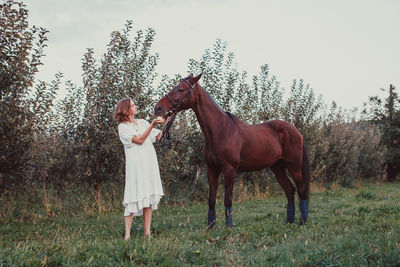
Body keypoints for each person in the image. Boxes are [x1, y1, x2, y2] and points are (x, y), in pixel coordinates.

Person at [114, 97, 165, 239]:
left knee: (148, 197)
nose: (136, 107)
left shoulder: (142, 123)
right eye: (133, 105)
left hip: (149, 165)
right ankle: (128, 235)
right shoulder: (123, 128)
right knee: (132, 196)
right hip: (136, 167)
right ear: (126, 110)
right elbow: (140, 140)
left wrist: (168, 121)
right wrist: (153, 124)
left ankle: (147, 233)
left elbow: (159, 135)